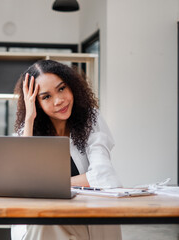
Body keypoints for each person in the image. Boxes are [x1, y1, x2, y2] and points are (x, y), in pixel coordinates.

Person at [11, 60, 122, 240]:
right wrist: (29, 118)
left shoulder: (91, 120)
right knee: (44, 222)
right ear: (36, 103)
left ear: (72, 86)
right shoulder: (26, 131)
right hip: (46, 219)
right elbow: (23, 183)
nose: (58, 100)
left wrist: (48, 185)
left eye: (61, 88)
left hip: (87, 220)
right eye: (46, 97)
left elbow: (104, 175)